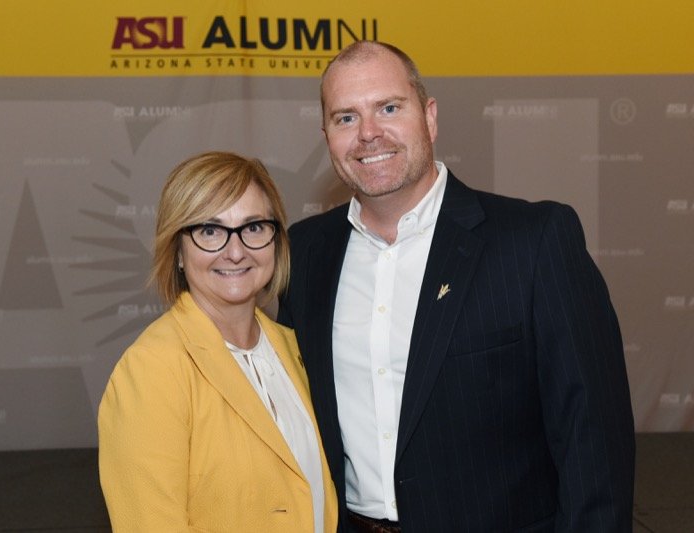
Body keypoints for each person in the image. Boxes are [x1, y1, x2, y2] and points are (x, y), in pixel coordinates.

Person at [278, 41, 635, 532]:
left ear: (429, 117)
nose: (368, 133)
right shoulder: (306, 253)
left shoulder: (533, 242)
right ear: (327, 136)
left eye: (388, 108)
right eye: (345, 118)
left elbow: (594, 441)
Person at [99, 151, 338, 532]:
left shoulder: (293, 348)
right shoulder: (152, 369)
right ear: (177, 251)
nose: (236, 250)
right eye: (210, 231)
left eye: (254, 227)